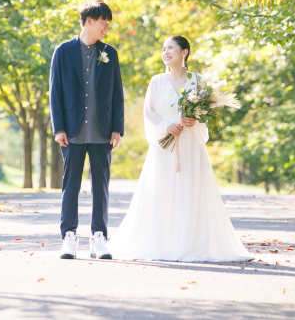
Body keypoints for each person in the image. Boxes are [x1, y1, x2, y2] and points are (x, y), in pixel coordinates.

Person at [106, 35, 252, 262]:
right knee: (162, 190)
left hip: (190, 144)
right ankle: (163, 242)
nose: (165, 52)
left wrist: (196, 121)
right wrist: (166, 126)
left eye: (170, 48)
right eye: (163, 48)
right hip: (165, 146)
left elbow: (206, 113)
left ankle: (192, 241)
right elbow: (149, 112)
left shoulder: (198, 80)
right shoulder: (156, 81)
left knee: (192, 190)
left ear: (184, 52)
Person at [49, 0, 124, 260]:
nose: (107, 26)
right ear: (89, 20)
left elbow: (117, 93)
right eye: (104, 21)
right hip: (71, 130)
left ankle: (98, 238)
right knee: (71, 185)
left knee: (100, 186)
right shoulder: (63, 50)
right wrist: (58, 128)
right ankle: (69, 237)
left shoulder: (110, 53)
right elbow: (55, 92)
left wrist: (117, 128)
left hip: (102, 130)